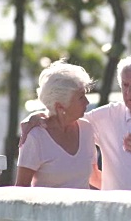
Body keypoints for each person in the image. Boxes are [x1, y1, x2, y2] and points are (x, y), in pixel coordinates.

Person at [20, 55, 131, 191]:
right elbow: (64, 116)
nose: (130, 92)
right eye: (125, 86)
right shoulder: (107, 116)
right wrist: (36, 116)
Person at [16, 61, 102, 189]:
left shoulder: (86, 129)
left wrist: (124, 194)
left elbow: (94, 176)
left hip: (83, 209)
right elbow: (21, 188)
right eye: (80, 97)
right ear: (60, 106)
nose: (87, 102)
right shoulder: (35, 136)